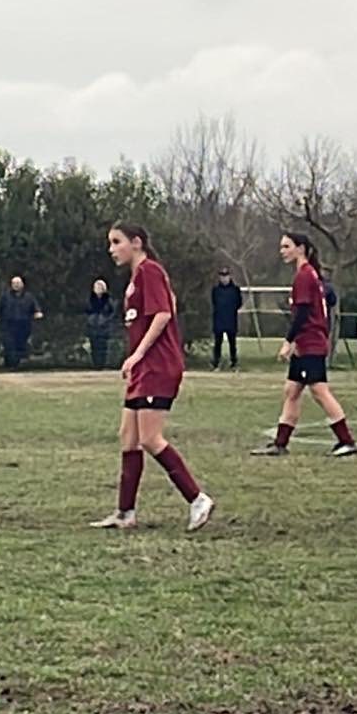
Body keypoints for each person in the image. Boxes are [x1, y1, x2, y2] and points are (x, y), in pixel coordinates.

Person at [90, 223, 214, 533]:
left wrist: (138, 354)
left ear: (136, 242)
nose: (111, 249)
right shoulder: (136, 278)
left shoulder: (150, 271)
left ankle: (197, 499)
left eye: (116, 242)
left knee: (149, 438)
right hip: (143, 368)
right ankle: (125, 512)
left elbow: (163, 315)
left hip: (158, 366)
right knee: (128, 436)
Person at [251, 233, 357, 458]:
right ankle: (280, 443)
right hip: (306, 342)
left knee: (319, 391)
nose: (282, 251)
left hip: (311, 343)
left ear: (300, 248)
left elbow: (303, 313)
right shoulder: (308, 274)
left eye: (286, 246)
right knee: (292, 390)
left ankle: (346, 441)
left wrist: (288, 341)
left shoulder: (305, 275)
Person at [0, 275, 43, 369]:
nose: (16, 285)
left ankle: (17, 363)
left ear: (22, 284)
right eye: (14, 283)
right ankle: (10, 365)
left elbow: (35, 306)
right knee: (9, 344)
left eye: (18, 283)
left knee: (20, 344)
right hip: (8, 325)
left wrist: (37, 312)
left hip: (24, 325)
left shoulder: (28, 296)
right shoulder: (5, 296)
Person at [211, 267, 243, 371]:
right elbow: (214, 302)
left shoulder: (235, 290)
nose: (224, 278)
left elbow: (239, 303)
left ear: (229, 277)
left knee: (232, 343)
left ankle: (234, 363)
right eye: (222, 276)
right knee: (217, 343)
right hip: (219, 319)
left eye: (226, 276)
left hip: (231, 319)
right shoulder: (216, 290)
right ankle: (216, 363)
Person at [86, 278, 116, 370]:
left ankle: (102, 364)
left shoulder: (108, 299)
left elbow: (112, 312)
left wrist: (105, 320)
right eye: (96, 287)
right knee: (94, 346)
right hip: (93, 326)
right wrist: (91, 320)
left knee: (103, 346)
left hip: (104, 327)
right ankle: (95, 364)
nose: (98, 289)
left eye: (100, 287)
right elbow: (87, 310)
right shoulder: (90, 299)